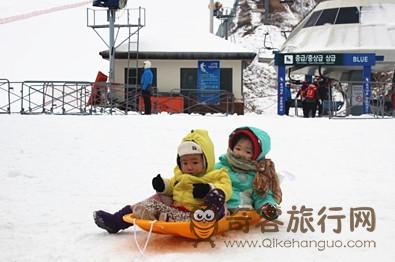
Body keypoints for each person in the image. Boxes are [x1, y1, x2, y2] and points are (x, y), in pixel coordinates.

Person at [93, 129, 232, 233]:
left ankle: (164, 216)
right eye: (184, 162)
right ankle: (117, 221)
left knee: (218, 198)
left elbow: (226, 189)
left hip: (200, 214)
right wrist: (162, 185)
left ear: (207, 160)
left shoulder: (217, 174)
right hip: (176, 208)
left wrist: (208, 188)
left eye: (194, 162)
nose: (189, 167)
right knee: (156, 199)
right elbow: (171, 186)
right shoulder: (180, 175)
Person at [215, 127, 282, 221]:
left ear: (257, 155)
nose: (241, 154)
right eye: (238, 148)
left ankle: (266, 209)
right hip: (217, 201)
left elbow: (262, 195)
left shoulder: (258, 176)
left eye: (248, 152)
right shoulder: (221, 166)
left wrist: (266, 205)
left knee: (260, 193)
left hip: (240, 206)